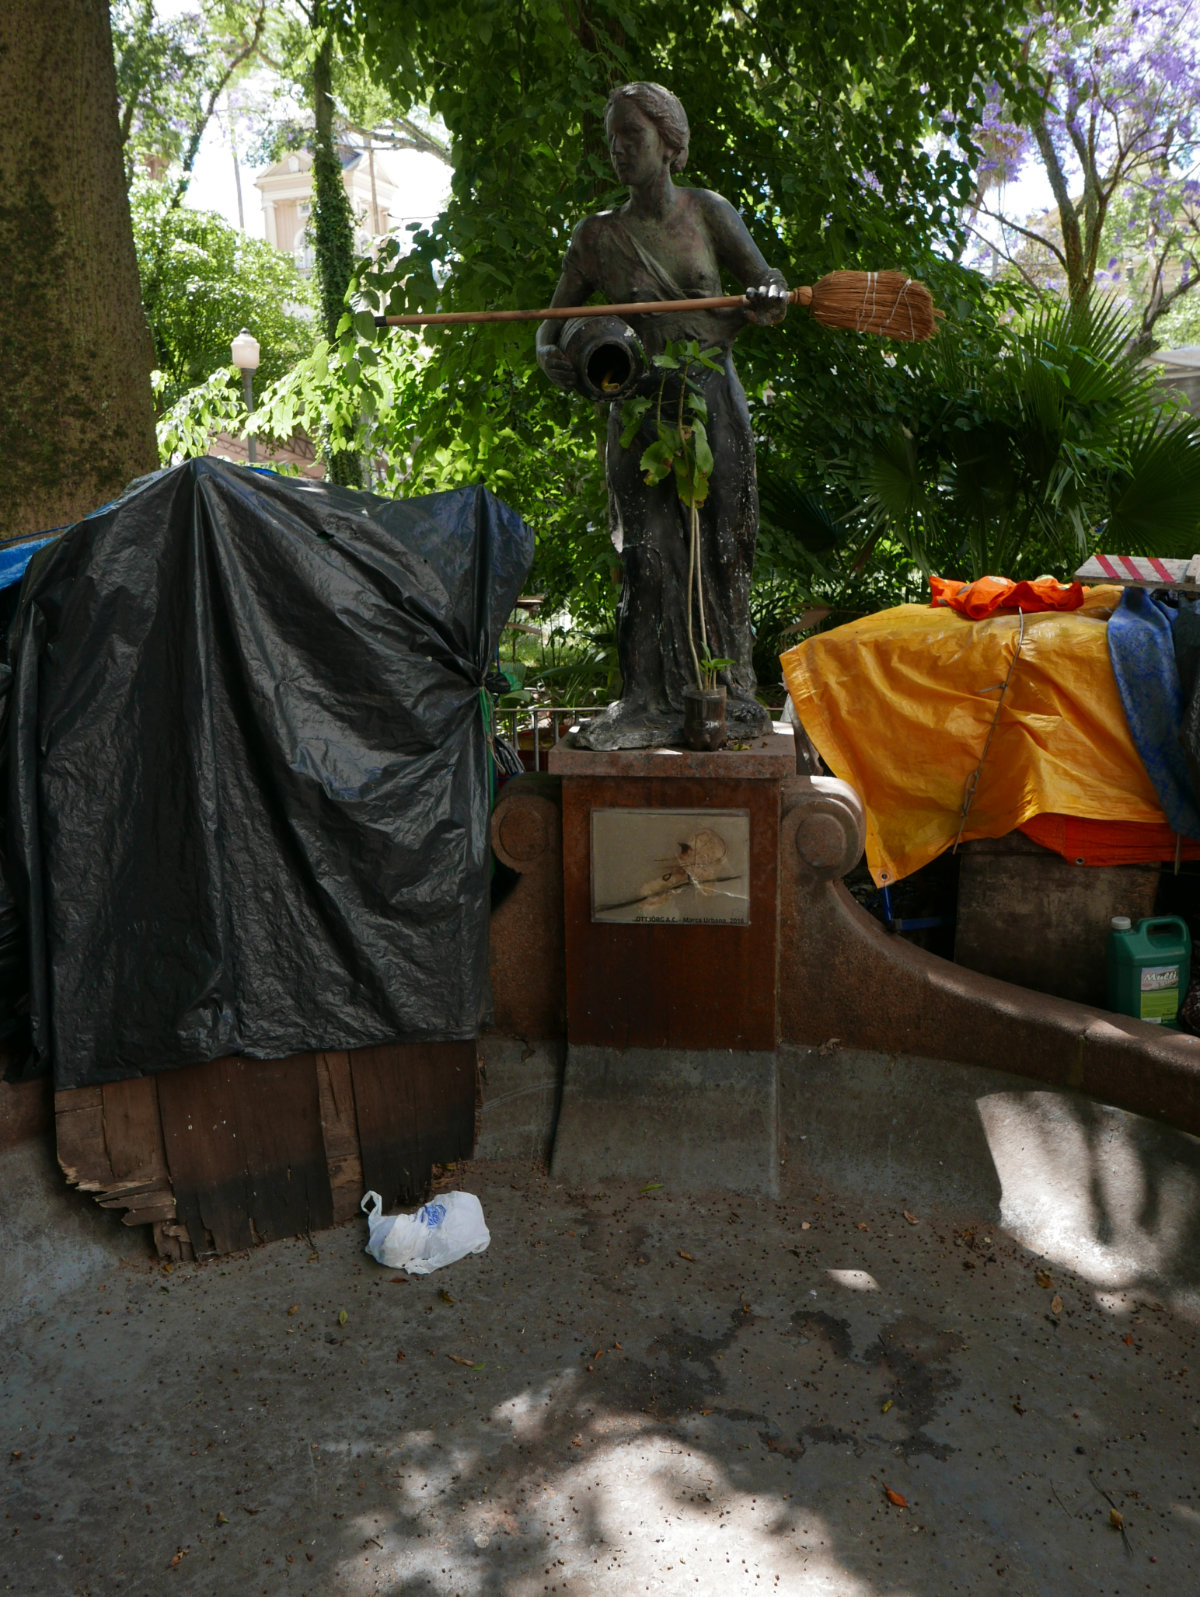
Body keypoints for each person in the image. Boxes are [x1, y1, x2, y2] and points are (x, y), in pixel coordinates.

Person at [537, 81, 787, 750]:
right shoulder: (598, 235)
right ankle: (643, 700)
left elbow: (766, 285)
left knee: (726, 545)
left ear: (669, 144)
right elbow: (550, 325)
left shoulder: (709, 212)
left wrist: (767, 296)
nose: (619, 150)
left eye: (633, 136)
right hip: (639, 406)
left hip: (714, 398)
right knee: (645, 554)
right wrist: (551, 355)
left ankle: (729, 693)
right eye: (612, 139)